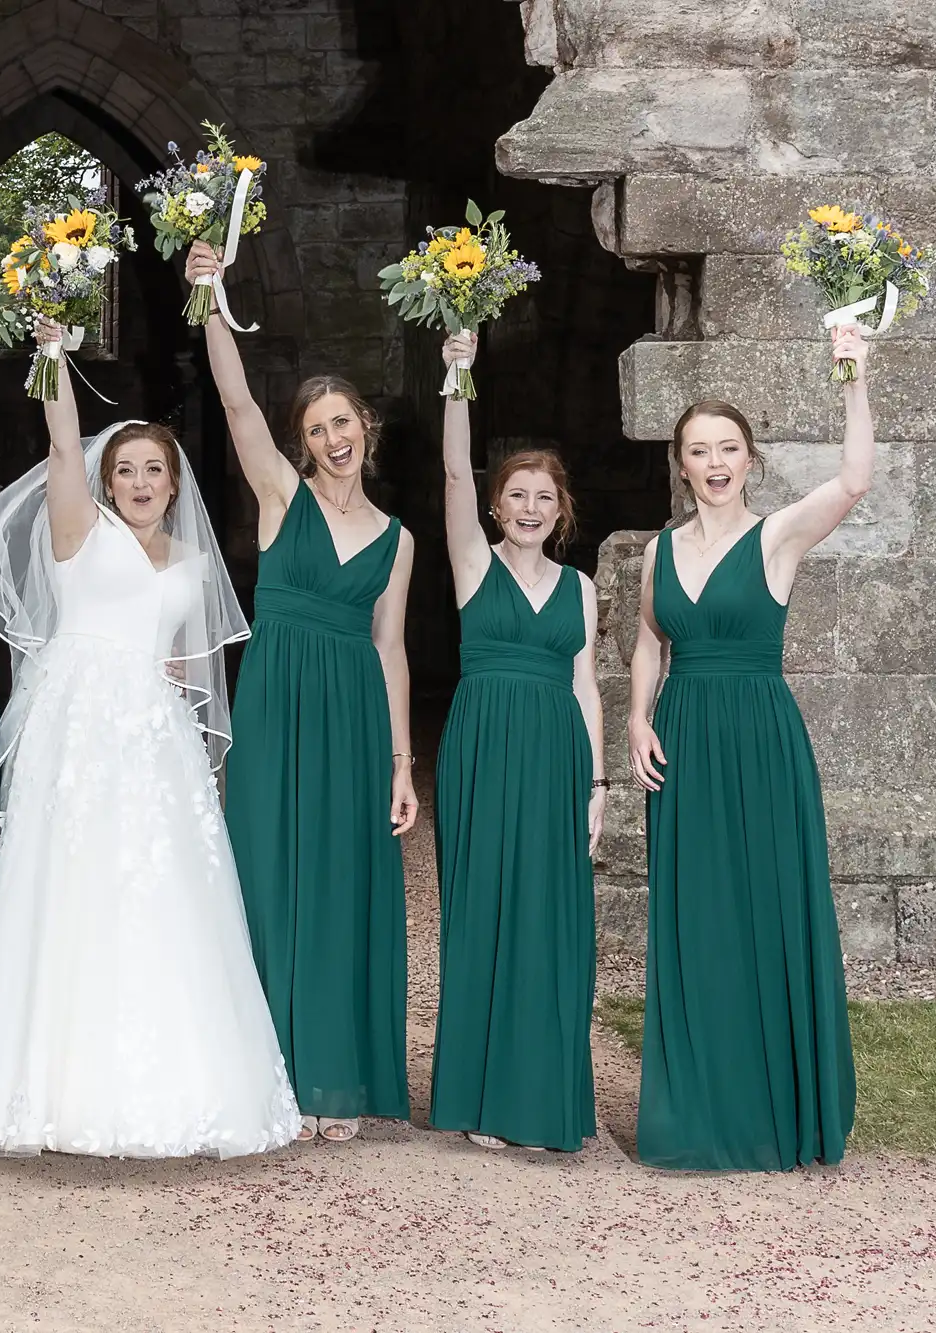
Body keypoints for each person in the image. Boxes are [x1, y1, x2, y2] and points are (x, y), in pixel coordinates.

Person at [0, 318, 300, 1159]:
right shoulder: (79, 530)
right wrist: (55, 361)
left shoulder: (190, 562)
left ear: (174, 484)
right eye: (126, 469)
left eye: (155, 470)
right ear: (107, 481)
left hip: (155, 741)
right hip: (73, 729)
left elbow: (186, 669)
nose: (139, 481)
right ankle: (55, 1092)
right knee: (66, 890)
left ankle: (172, 1091)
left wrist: (195, 768)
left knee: (162, 896)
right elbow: (61, 448)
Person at [625, 323, 874, 1171]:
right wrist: (635, 718)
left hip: (761, 745)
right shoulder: (660, 550)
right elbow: (650, 641)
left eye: (729, 447)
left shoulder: (777, 538)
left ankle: (775, 1109)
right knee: (696, 923)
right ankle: (697, 1110)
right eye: (700, 450)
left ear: (749, 458)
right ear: (682, 464)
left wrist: (853, 371)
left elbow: (853, 479)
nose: (717, 461)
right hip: (685, 746)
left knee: (766, 914)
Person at [188, 241, 417, 1144]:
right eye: (317, 427)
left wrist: (402, 763)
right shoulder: (281, 496)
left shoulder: (398, 540)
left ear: (366, 425)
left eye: (343, 421)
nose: (333, 437)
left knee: (339, 885)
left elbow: (392, 649)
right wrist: (210, 292)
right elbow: (237, 400)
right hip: (280, 706)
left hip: (355, 716)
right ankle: (264, 1069)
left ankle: (332, 1073)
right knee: (267, 872)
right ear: (304, 442)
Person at [428, 331, 604, 1153]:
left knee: (549, 921)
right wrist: (457, 376)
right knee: (486, 910)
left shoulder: (582, 589)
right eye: (517, 495)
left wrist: (598, 786)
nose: (529, 507)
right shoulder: (472, 563)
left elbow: (585, 685)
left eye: (544, 497)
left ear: (559, 510)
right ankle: (479, 1096)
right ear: (497, 507)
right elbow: (454, 471)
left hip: (558, 756)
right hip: (484, 750)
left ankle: (540, 1093)